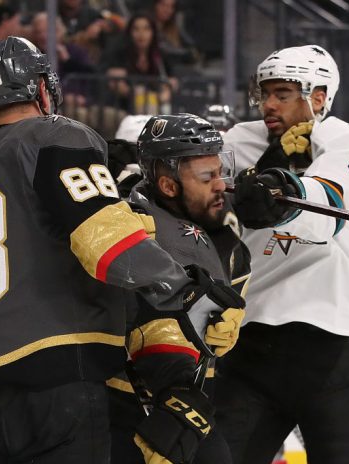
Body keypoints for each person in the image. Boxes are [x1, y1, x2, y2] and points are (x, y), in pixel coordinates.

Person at [0, 36, 240, 463]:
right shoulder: (55, 135)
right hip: (46, 379)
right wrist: (188, 293)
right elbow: (108, 244)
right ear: (42, 87)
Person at [215, 45, 349, 464]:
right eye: (265, 94)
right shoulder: (238, 141)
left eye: (283, 94)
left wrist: (284, 188)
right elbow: (192, 185)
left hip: (333, 343)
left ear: (319, 97)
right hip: (251, 339)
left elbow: (326, 211)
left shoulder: (347, 141)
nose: (269, 104)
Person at [106, 114, 250, 464]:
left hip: (191, 407)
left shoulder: (225, 238)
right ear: (169, 186)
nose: (221, 185)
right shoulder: (133, 229)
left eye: (220, 172)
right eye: (207, 177)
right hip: (132, 412)